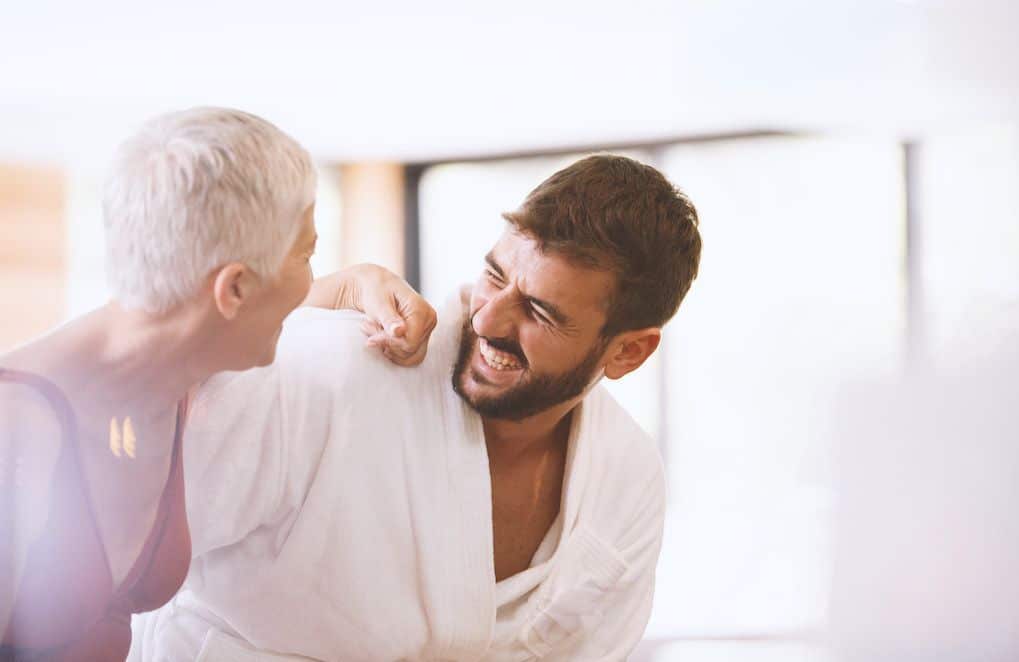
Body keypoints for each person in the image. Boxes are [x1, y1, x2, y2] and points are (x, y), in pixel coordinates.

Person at [130, 154, 702, 661]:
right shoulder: (336, 368)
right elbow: (118, 546)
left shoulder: (627, 479)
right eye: (494, 276)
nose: (487, 320)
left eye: (540, 312)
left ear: (628, 351)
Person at [0, 107, 433, 661]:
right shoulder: (20, 423)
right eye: (306, 254)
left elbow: (248, 312)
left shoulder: (173, 367)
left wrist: (359, 283)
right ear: (234, 289)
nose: (310, 274)